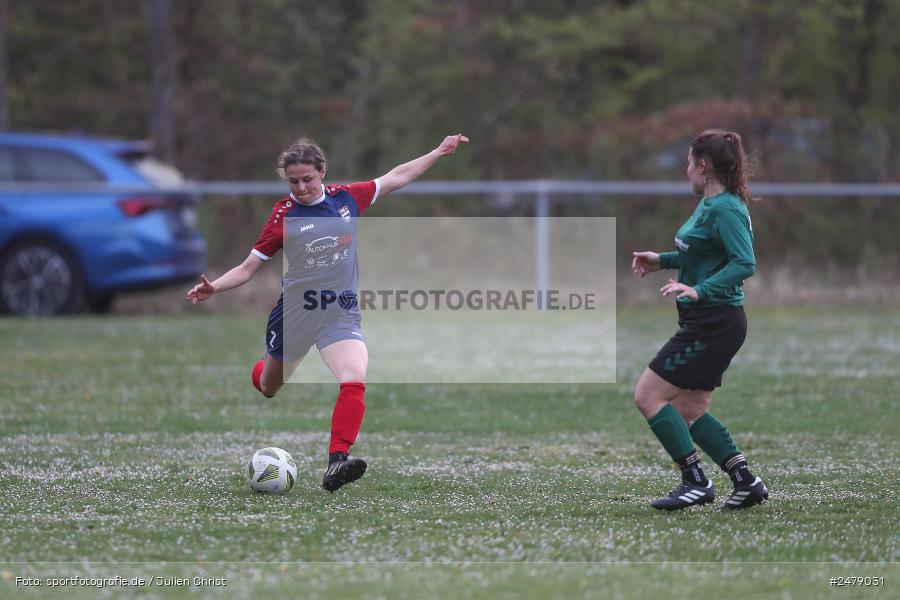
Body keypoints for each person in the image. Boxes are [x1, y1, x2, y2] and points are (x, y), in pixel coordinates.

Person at [187, 133, 469, 492]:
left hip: (339, 312)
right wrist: (215, 287)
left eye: (308, 179)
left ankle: (337, 462)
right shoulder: (283, 217)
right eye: (294, 181)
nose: (301, 187)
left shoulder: (347, 199)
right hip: (296, 315)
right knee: (269, 386)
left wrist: (438, 151)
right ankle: (261, 369)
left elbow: (397, 176)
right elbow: (247, 269)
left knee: (354, 377)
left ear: (322, 173)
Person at [631, 129, 768, 510]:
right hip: (708, 322)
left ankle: (694, 481)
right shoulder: (710, 204)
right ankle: (746, 482)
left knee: (647, 395)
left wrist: (700, 290)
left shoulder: (725, 207)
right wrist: (661, 260)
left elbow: (744, 262)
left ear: (703, 166)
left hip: (715, 322)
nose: (686, 169)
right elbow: (702, 253)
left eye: (689, 162)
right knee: (690, 410)